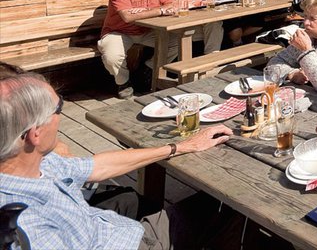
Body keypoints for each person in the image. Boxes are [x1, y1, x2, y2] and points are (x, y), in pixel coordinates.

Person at [0, 72, 234, 249]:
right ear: (35, 133)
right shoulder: (26, 224)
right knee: (227, 205)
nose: (62, 114)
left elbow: (98, 166)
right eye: (58, 107)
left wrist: (180, 147)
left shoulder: (33, 162)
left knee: (134, 199)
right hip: (135, 243)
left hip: (111, 227)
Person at [97, 0, 177, 99]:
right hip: (119, 32)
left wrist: (141, 10)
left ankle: (148, 69)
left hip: (148, 30)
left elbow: (171, 5)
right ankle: (123, 82)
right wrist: (159, 10)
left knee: (177, 42)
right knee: (112, 56)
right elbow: (127, 18)